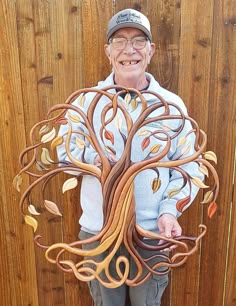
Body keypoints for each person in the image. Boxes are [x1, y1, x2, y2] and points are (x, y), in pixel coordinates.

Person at [57, 8, 202, 306]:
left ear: (150, 51)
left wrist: (169, 211)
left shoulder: (171, 106)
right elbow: (63, 155)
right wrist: (91, 160)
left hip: (151, 235)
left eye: (138, 41)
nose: (129, 50)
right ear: (108, 52)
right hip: (98, 234)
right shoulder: (86, 102)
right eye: (120, 41)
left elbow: (190, 165)